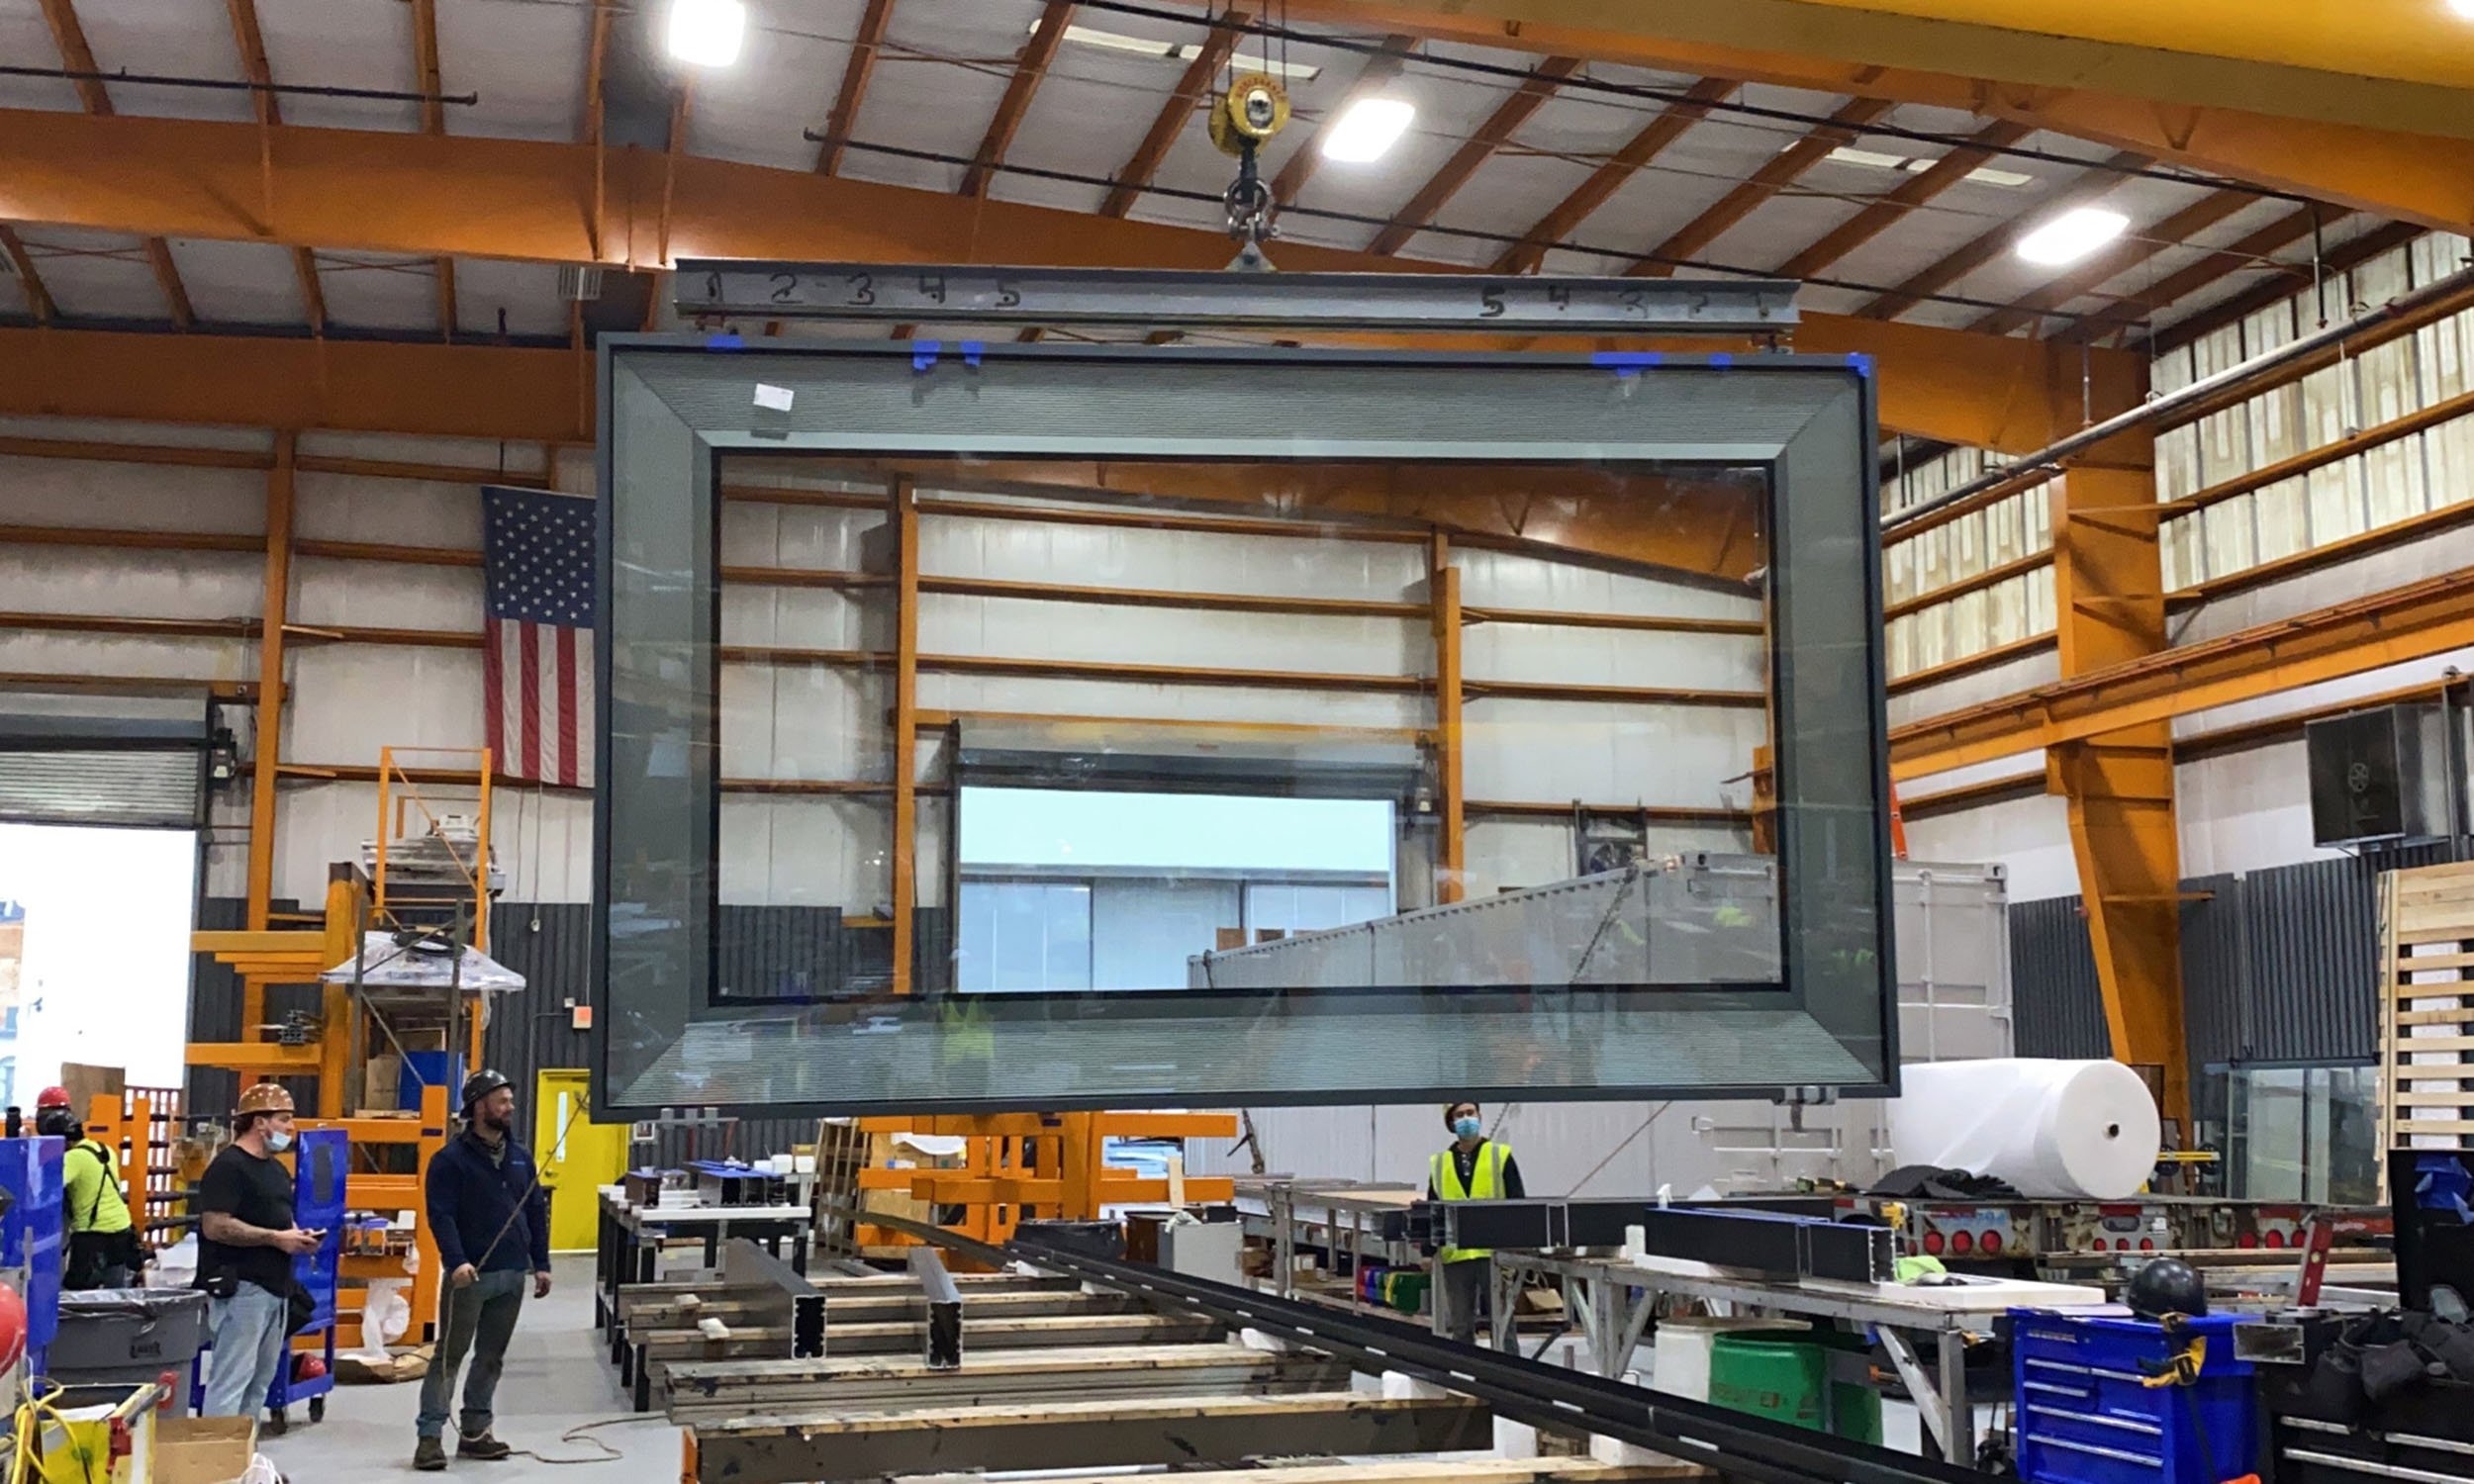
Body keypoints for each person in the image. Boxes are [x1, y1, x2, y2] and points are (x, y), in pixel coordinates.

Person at [415, 1069, 550, 1472]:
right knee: (449, 1357)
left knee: (491, 1357)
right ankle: (429, 1437)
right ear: (479, 1106)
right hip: (469, 1276)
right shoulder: (449, 1161)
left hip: (512, 1274)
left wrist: (541, 1263)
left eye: (510, 1100)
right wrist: (455, 1261)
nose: (510, 1107)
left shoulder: (520, 1156)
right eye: (502, 1101)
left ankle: (475, 1433)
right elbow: (441, 1216)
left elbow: (535, 1211)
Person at [196, 1082, 321, 1420]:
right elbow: (215, 1226)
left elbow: (277, 1218)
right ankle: (217, 1467)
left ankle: (245, 1460)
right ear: (259, 1122)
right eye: (283, 1119)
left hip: (275, 1288)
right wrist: (274, 1238)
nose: (290, 1128)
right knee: (231, 1380)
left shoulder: (276, 1170)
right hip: (242, 1290)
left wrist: (296, 1235)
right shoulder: (228, 1168)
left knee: (259, 1382)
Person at [1424, 1100, 1524, 1345]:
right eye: (1460, 1115)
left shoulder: (1500, 1155)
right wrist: (1428, 1251)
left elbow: (1518, 1202)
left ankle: (1508, 1375)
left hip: (1494, 1253)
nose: (1466, 1118)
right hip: (1456, 1255)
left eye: (1470, 1113)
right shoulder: (1440, 1163)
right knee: (1460, 1325)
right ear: (1451, 1122)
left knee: (1503, 1321)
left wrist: (1519, 1245)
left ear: (1479, 1116)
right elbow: (1432, 1209)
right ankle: (1464, 1375)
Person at [36, 1087, 142, 1290]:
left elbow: (44, 1189)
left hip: (93, 1234)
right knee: (115, 1293)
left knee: (77, 1292)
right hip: (121, 1228)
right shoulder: (104, 1149)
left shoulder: (73, 1158)